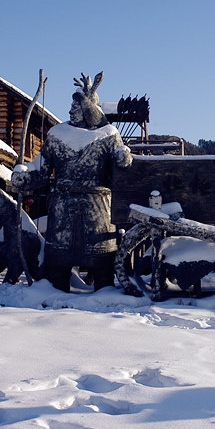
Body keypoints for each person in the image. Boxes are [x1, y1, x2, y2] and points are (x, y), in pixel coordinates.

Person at [12, 72, 132, 291]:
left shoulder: (108, 135)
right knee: (58, 268)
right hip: (63, 206)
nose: (70, 111)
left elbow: (121, 172)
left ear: (89, 109)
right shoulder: (57, 135)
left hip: (97, 208)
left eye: (76, 108)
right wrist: (25, 175)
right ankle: (55, 296)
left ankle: (104, 297)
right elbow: (41, 169)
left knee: (102, 268)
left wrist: (123, 158)